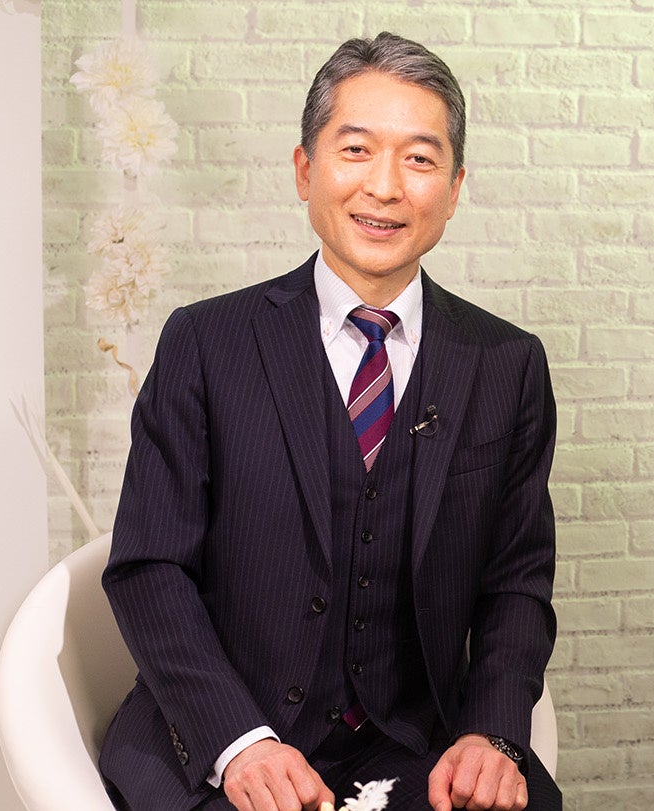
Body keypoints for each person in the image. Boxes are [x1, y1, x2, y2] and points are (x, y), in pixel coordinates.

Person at [99, 32, 560, 811]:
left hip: (416, 745)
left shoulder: (506, 363)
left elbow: (515, 581)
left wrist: (492, 733)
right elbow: (150, 570)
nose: (384, 186)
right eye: (356, 150)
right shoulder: (206, 343)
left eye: (419, 159)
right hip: (225, 743)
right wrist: (241, 743)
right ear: (305, 169)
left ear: (454, 189)